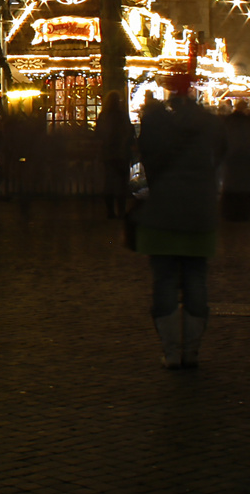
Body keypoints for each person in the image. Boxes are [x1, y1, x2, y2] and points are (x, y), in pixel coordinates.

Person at [136, 86, 222, 370]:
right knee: (196, 280)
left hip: (162, 212)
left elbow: (143, 162)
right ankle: (192, 350)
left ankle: (172, 351)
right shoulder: (210, 127)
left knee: (164, 281)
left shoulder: (155, 127)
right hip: (199, 212)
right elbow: (220, 158)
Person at [94, 90, 133, 219]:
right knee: (122, 183)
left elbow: (98, 133)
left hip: (108, 153)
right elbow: (128, 133)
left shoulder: (104, 116)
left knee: (109, 182)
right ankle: (121, 210)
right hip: (121, 153)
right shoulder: (122, 116)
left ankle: (110, 211)